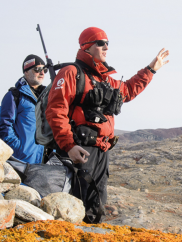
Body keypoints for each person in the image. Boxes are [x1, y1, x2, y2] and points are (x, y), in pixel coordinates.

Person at [46, 27, 169, 221]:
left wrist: (151, 69)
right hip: (80, 150)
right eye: (101, 43)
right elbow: (56, 111)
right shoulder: (70, 73)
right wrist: (69, 146)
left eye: (107, 43)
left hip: (102, 151)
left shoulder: (104, 79)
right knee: (75, 207)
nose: (106, 47)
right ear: (87, 46)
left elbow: (127, 90)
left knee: (96, 206)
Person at [0, 55, 46, 163]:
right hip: (21, 160)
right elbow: (4, 126)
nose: (42, 73)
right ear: (26, 72)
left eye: (45, 69)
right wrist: (18, 149)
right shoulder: (14, 96)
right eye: (37, 69)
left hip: (44, 161)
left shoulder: (47, 98)